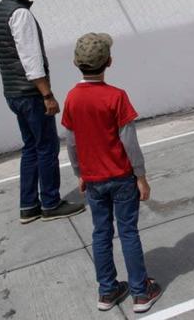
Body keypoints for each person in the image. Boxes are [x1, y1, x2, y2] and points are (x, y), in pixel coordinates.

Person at [62, 33, 162, 313]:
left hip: (93, 180)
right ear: (109, 61)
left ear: (75, 62)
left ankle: (107, 291)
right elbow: (129, 141)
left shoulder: (71, 98)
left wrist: (80, 172)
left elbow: (71, 142)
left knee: (101, 233)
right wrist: (140, 176)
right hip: (120, 178)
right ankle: (141, 293)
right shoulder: (116, 96)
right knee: (128, 231)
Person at [0, 0, 85, 224]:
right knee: (46, 147)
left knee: (31, 147)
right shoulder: (20, 14)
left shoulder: (0, 11)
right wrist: (47, 95)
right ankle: (51, 203)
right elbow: (30, 59)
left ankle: (28, 205)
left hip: (13, 93)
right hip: (31, 95)